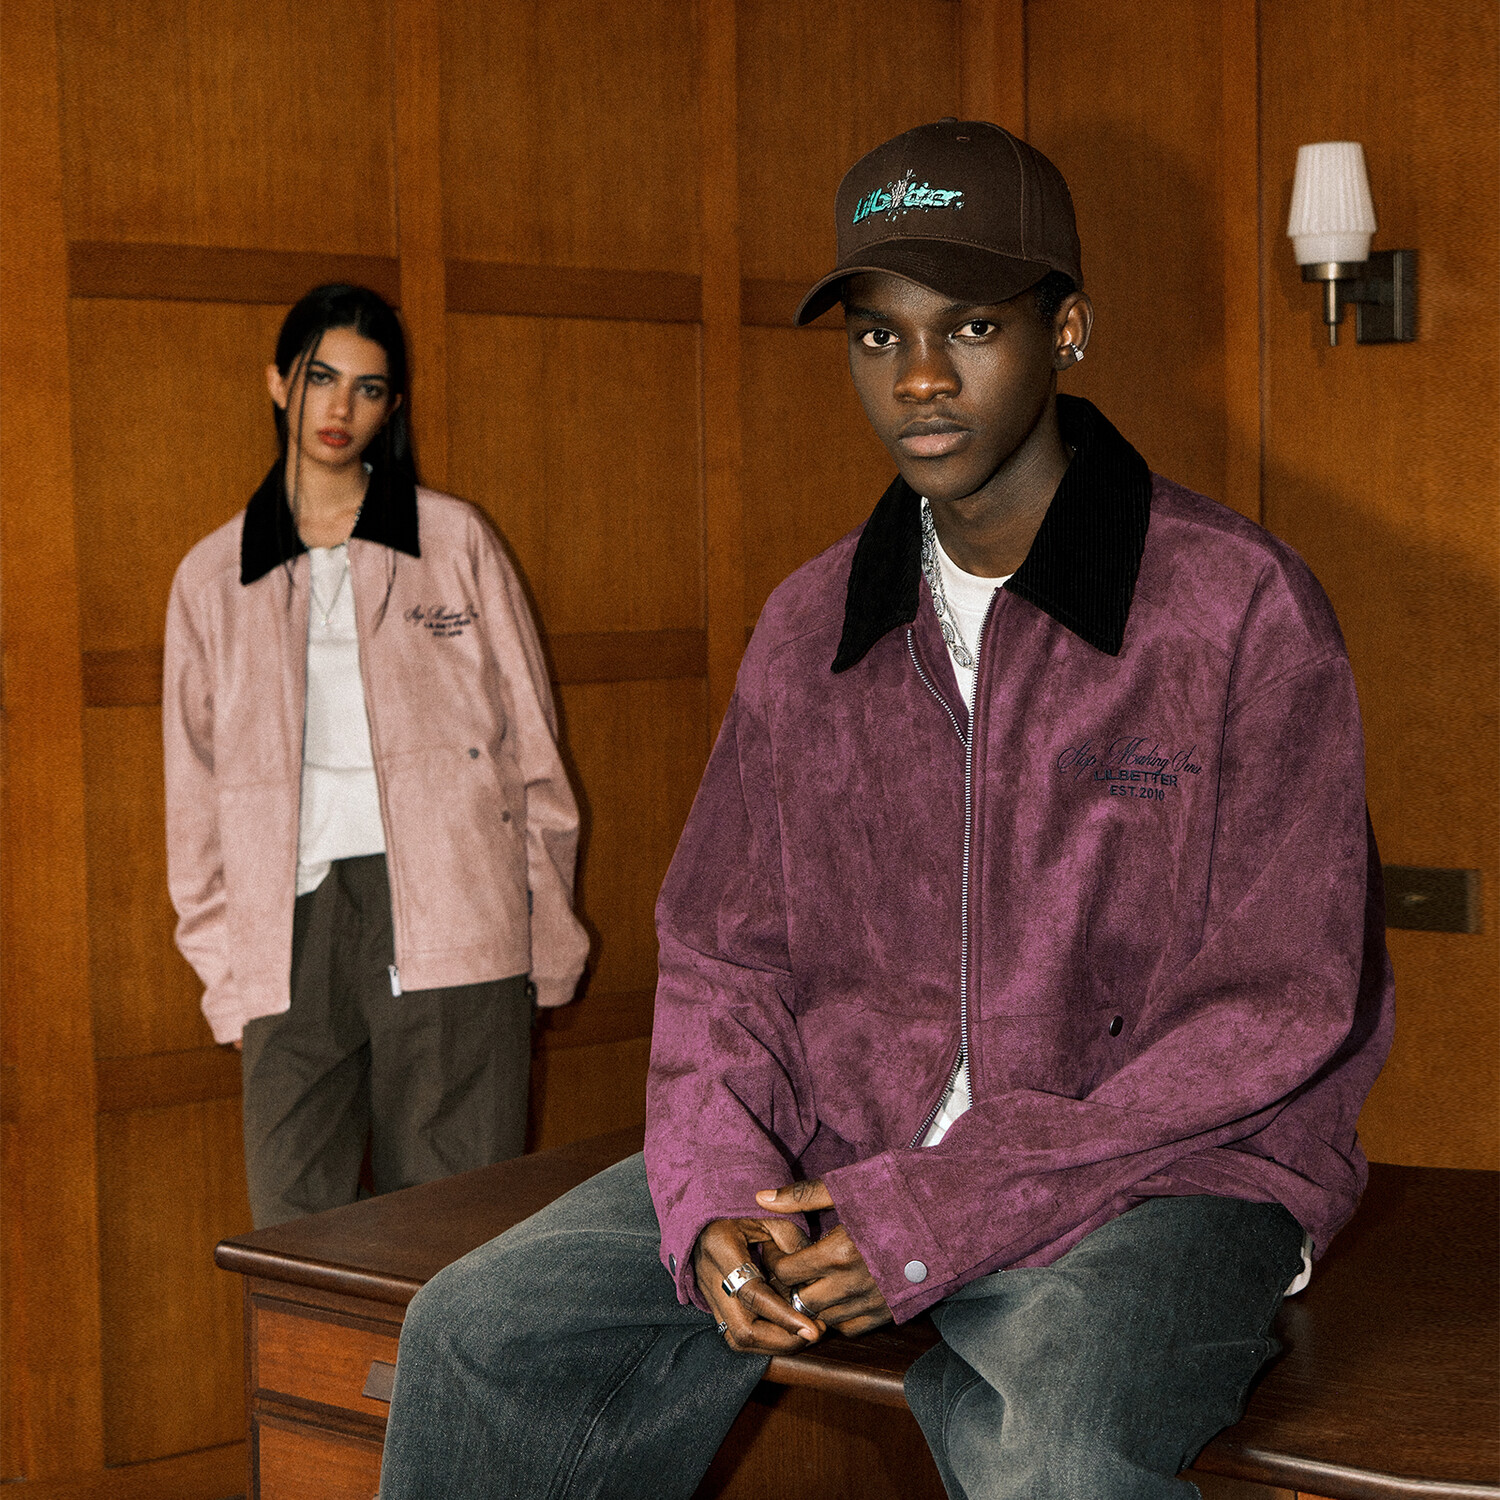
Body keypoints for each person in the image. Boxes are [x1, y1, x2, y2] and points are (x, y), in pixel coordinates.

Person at [377, 123, 1394, 1499]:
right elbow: (724, 958)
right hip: (847, 1149)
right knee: (478, 1333)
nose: (919, 376)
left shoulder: (1237, 608)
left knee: (1061, 1451)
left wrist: (942, 1208)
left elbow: (1273, 1006)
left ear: (1068, 329)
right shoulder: (812, 626)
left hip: (1162, 1171)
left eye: (971, 326)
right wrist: (717, 1191)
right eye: (877, 335)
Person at [164, 283, 588, 1228]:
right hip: (288, 931)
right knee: (293, 1234)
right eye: (321, 378)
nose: (339, 408)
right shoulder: (212, 577)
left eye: (367, 387)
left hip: (456, 916)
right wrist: (228, 977)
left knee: (454, 1232)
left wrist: (547, 941)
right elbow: (192, 800)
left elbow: (534, 756)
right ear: (279, 383)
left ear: (392, 405)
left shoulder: (454, 541)